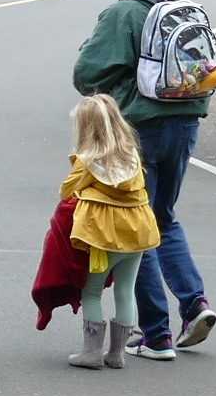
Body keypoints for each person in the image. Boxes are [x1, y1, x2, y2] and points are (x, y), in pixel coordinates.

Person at [72, 0, 216, 362]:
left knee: (135, 229)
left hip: (139, 130)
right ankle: (194, 304)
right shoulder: (179, 8)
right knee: (163, 218)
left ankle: (156, 335)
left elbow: (86, 75)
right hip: (186, 122)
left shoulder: (122, 13)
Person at [60, 94, 159, 370]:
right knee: (125, 290)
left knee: (91, 292)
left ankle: (91, 352)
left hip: (105, 237)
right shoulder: (132, 156)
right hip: (138, 233)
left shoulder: (89, 160)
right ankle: (117, 354)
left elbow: (66, 190)